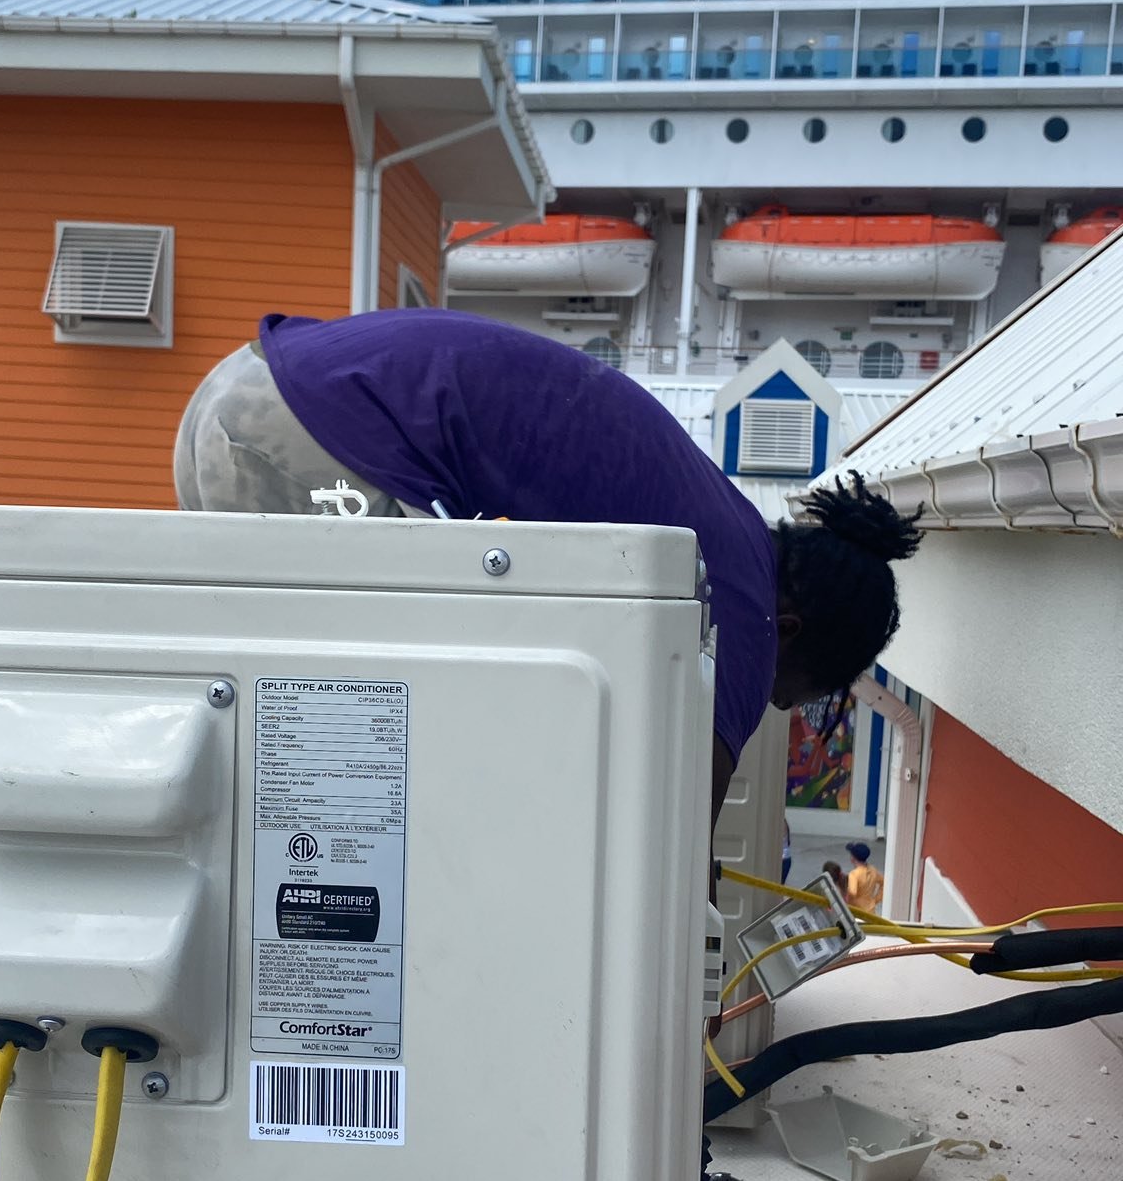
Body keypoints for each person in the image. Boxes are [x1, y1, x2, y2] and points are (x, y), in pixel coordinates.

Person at [174, 309, 922, 837]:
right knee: (365, 718)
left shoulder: (720, 527)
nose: (777, 707)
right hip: (313, 430)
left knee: (298, 699)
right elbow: (681, 840)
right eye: (794, 692)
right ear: (789, 632)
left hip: (253, 385)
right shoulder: (745, 611)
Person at [845, 841, 885, 914]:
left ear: (853, 858)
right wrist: (876, 900)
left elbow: (852, 892)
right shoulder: (873, 870)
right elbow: (884, 883)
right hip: (870, 911)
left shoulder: (854, 874)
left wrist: (846, 900)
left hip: (857, 912)